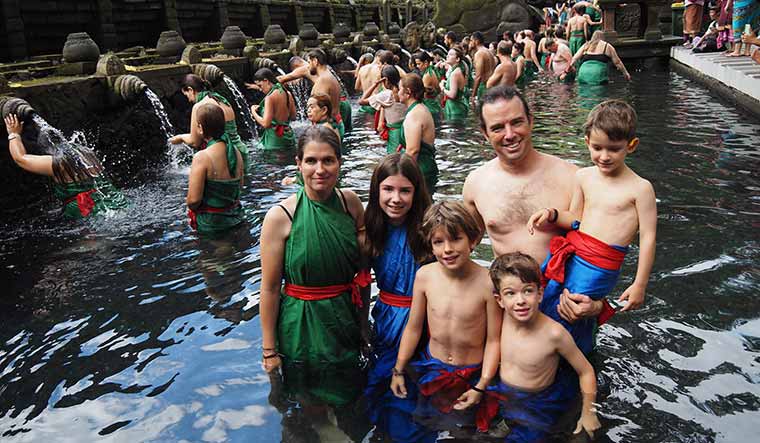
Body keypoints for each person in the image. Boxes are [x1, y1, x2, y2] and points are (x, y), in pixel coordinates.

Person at [463, 86, 603, 326]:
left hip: (568, 307)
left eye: (516, 122)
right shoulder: (475, 184)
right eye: (497, 127)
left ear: (531, 121)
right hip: (511, 309)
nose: (509, 134)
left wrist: (598, 305)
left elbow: (602, 250)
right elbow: (462, 250)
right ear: (484, 133)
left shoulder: (573, 178)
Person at [526, 100, 657, 354]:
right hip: (572, 252)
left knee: (573, 308)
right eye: (597, 148)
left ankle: (575, 360)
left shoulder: (640, 188)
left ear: (632, 146)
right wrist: (551, 214)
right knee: (547, 303)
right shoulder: (584, 176)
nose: (604, 156)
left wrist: (640, 284)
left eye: (614, 149)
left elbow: (649, 238)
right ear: (587, 142)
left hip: (600, 264)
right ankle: (555, 361)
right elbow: (575, 219)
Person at [259, 125, 370, 406]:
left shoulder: (351, 203)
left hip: (344, 317)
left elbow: (363, 272)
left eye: (328, 160)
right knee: (309, 400)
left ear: (339, 163)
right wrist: (269, 350)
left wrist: (363, 325)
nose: (319, 169)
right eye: (311, 160)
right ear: (298, 164)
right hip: (302, 325)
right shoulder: (280, 217)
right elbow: (270, 289)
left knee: (348, 393)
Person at [390, 201, 502, 432]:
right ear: (430, 246)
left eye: (456, 239)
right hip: (432, 368)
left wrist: (481, 386)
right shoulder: (425, 276)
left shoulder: (488, 282)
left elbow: (494, 340)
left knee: (467, 429)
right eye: (438, 242)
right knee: (425, 424)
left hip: (472, 374)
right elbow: (413, 327)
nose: (447, 249)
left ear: (473, 239)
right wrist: (398, 370)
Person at [487, 252, 602, 442]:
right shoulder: (504, 318)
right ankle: (510, 421)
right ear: (499, 300)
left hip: (538, 403)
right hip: (505, 395)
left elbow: (586, 371)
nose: (520, 300)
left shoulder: (553, 334)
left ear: (540, 294)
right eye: (511, 293)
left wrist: (589, 413)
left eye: (528, 291)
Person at [363, 153, 436, 443]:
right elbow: (362, 284)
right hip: (387, 319)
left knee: (415, 391)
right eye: (388, 190)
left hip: (424, 323)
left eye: (405, 190)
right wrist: (361, 327)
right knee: (384, 388)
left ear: (416, 192)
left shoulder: (429, 231)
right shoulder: (370, 231)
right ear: (376, 191)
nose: (396, 198)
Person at [3, 114, 126, 218]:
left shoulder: (60, 162)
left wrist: (14, 134)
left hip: (97, 214)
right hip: (118, 203)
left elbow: (20, 159)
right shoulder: (86, 151)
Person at [186, 103, 244, 235]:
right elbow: (240, 186)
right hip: (236, 218)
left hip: (213, 224)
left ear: (200, 128)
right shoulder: (235, 152)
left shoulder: (202, 157)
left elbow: (193, 200)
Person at [170, 74, 248, 168]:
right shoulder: (221, 99)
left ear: (190, 90)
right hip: (240, 152)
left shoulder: (199, 106)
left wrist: (180, 137)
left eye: (186, 95)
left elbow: (195, 142)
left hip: (225, 155)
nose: (189, 100)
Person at [277, 49, 345, 139]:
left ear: (315, 61)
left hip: (326, 128)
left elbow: (317, 107)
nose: (308, 66)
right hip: (336, 124)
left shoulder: (323, 80)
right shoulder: (329, 76)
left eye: (309, 62)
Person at [397, 74, 439, 192]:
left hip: (420, 170)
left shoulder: (414, 115)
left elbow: (413, 150)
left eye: (400, 89)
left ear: (408, 92)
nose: (398, 92)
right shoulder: (421, 108)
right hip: (425, 166)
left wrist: (402, 176)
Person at [359, 65, 407, 153]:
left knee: (394, 159)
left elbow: (361, 101)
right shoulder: (405, 92)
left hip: (395, 133)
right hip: (407, 131)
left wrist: (375, 84)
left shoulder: (386, 95)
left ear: (386, 80)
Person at [248, 68, 296, 151]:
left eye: (260, 85)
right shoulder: (287, 93)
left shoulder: (270, 98)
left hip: (275, 139)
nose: (260, 89)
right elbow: (293, 117)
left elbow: (265, 123)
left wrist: (253, 112)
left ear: (266, 81)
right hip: (288, 136)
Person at [439, 46, 470, 119]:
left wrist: (442, 88)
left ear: (457, 59)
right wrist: (446, 82)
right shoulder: (457, 70)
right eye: (448, 54)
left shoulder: (455, 73)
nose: (447, 56)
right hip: (458, 106)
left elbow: (452, 95)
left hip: (455, 109)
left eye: (450, 55)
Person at [414, 51, 442, 120]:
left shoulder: (427, 76)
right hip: (434, 103)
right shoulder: (432, 69)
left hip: (430, 107)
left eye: (419, 64)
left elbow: (421, 94)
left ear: (426, 63)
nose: (417, 66)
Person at [470, 31, 497, 101]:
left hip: (484, 86)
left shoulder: (479, 54)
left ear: (476, 41)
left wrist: (473, 95)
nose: (470, 43)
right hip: (493, 85)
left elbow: (478, 76)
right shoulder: (489, 52)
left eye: (471, 40)